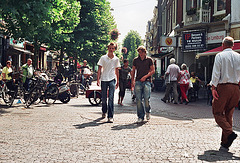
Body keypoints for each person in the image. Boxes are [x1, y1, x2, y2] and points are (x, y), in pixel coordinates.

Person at [210, 36, 240, 151]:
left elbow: (216, 72)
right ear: (232, 46)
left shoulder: (220, 56)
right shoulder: (239, 57)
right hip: (236, 88)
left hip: (223, 87)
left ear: (223, 45)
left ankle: (230, 133)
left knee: (217, 112)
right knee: (229, 114)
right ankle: (225, 142)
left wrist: (214, 87)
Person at [97, 42, 121, 123]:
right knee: (104, 98)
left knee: (111, 98)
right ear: (108, 48)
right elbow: (99, 69)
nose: (111, 49)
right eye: (110, 48)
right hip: (104, 79)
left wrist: (118, 81)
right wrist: (98, 79)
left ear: (114, 49)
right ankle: (104, 111)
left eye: (113, 48)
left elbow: (117, 70)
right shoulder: (103, 58)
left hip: (112, 79)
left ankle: (110, 116)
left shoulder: (116, 59)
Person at [131, 46, 155, 123]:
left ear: (145, 52)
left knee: (147, 99)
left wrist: (146, 76)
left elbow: (153, 71)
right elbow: (133, 71)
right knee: (138, 99)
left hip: (147, 81)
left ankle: (148, 111)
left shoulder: (149, 60)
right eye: (139, 52)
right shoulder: (135, 60)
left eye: (142, 52)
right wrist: (132, 81)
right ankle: (140, 116)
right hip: (138, 81)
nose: (140, 54)